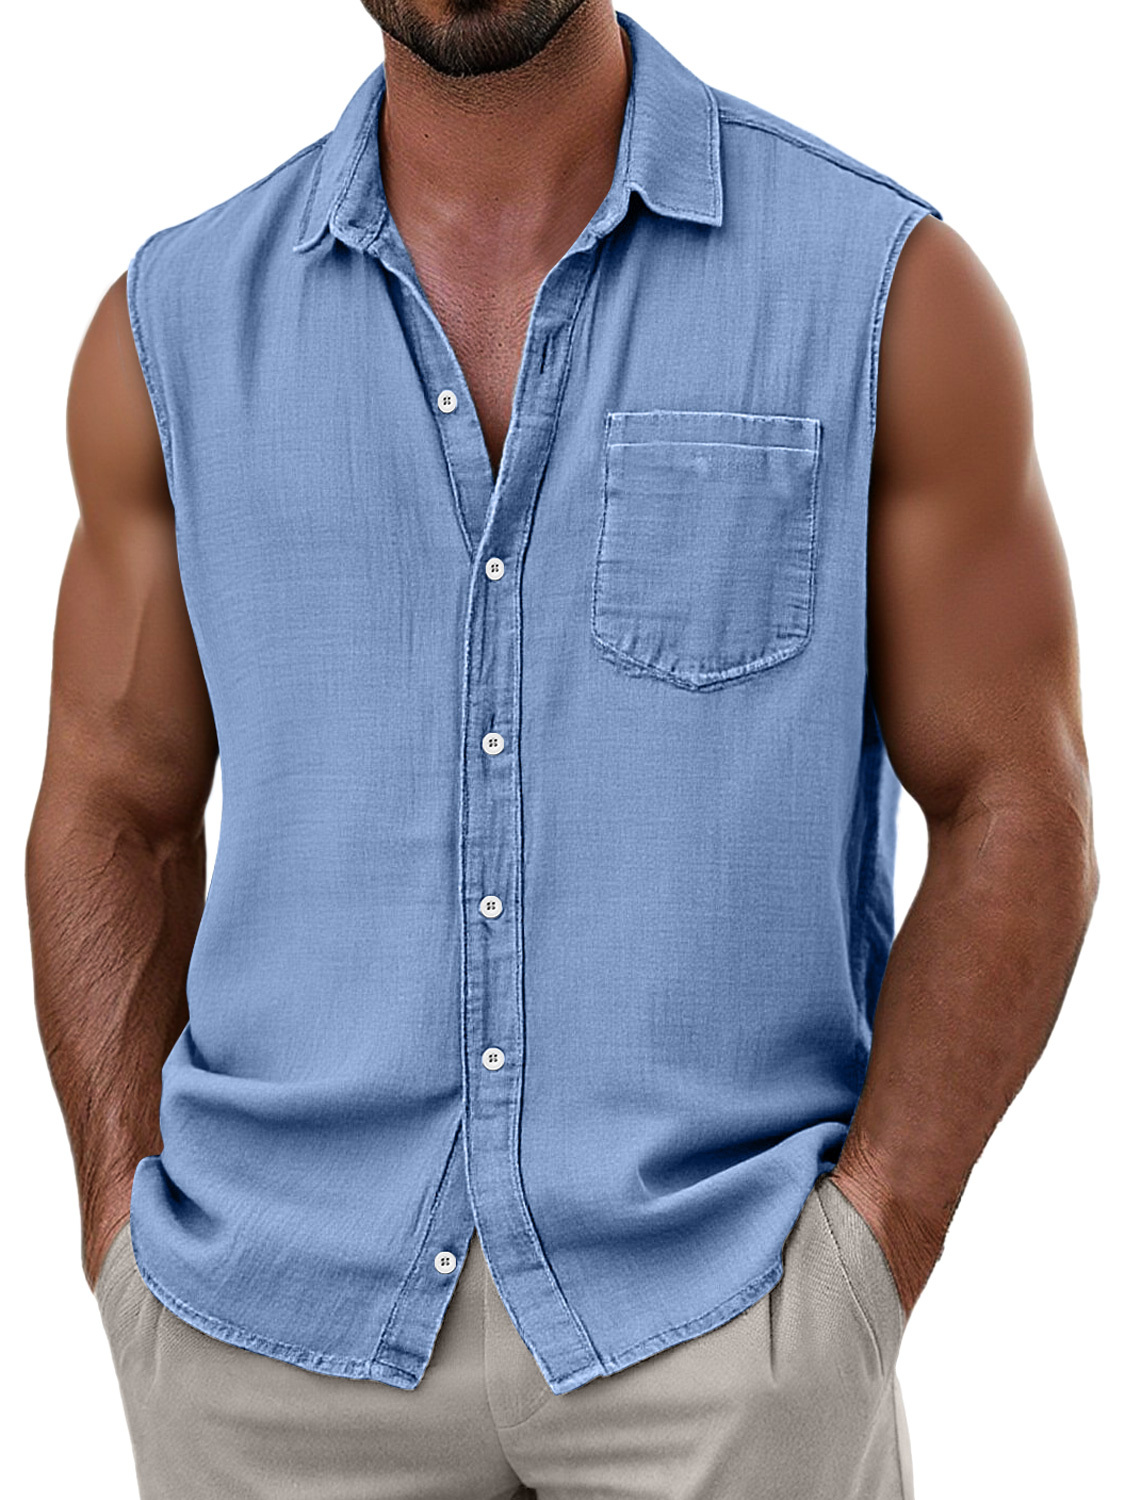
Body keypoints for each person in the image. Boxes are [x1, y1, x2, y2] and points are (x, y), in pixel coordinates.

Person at [27, 2, 1098, 1496]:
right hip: (263, 1339)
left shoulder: (881, 293)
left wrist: (868, 1254)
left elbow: (1016, 799)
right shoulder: (171, 331)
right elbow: (113, 807)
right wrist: (120, 1241)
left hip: (723, 1332)